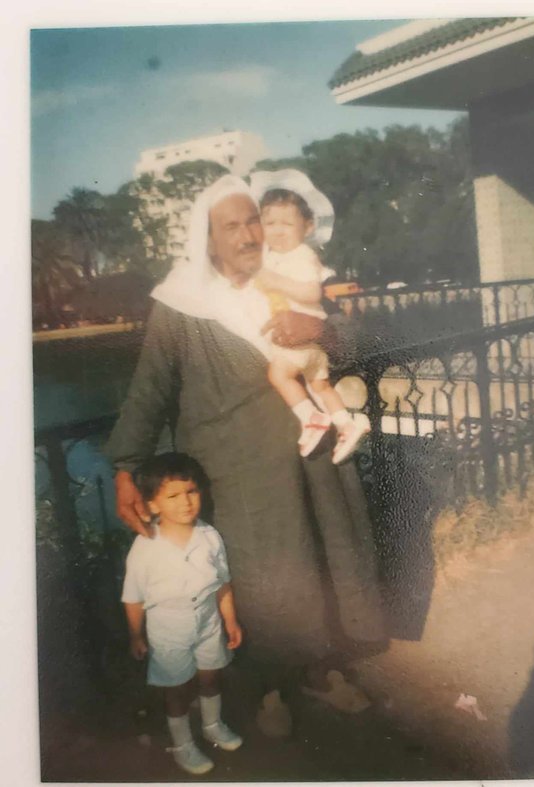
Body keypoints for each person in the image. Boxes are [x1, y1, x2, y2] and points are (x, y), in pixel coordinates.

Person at [106, 174, 386, 735]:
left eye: (252, 220)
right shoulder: (182, 305)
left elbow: (355, 344)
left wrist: (321, 332)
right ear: (207, 240)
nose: (247, 234)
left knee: (319, 563)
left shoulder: (283, 281)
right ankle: (267, 689)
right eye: (230, 225)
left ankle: (317, 669)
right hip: (237, 465)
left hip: (310, 453)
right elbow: (150, 388)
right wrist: (124, 468)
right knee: (261, 577)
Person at [122, 452, 242, 775]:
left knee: (211, 676)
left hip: (208, 623)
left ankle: (212, 725)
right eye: (173, 495)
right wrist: (136, 634)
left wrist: (230, 620)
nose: (186, 502)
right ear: (151, 505)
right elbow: (133, 598)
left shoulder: (209, 537)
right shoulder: (145, 547)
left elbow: (223, 584)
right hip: (168, 629)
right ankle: (182, 744)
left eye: (192, 492)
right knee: (176, 690)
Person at [250, 169, 369, 464]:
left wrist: (273, 280)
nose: (277, 230)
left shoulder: (302, 255)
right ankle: (347, 425)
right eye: (270, 223)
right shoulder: (275, 256)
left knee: (278, 374)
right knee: (321, 386)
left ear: (307, 227)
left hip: (298, 338)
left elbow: (312, 292)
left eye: (287, 223)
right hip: (314, 349)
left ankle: (311, 417)